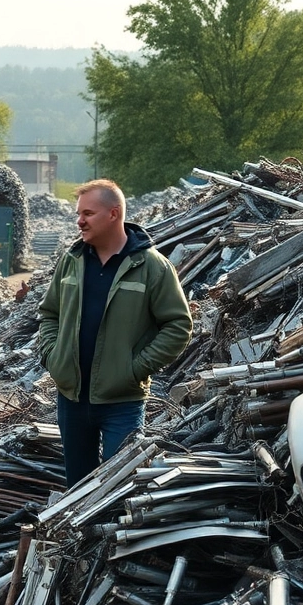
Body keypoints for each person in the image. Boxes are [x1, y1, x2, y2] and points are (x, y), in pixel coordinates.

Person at [37, 179, 192, 487]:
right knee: (77, 487)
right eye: (79, 213)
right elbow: (49, 313)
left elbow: (178, 326)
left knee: (118, 487)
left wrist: (134, 369)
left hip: (122, 402)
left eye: (88, 213)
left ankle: (111, 537)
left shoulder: (152, 267)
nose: (79, 221)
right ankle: (81, 537)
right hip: (72, 398)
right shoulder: (71, 261)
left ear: (113, 214)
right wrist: (52, 357)